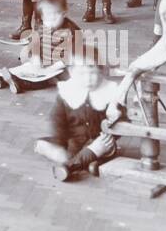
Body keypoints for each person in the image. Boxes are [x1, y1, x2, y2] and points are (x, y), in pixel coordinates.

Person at [34, 53, 119, 181]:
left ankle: (70, 166)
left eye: (93, 73)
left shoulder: (108, 91)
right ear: (71, 73)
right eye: (82, 74)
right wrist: (59, 142)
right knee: (45, 144)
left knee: (99, 148)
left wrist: (114, 122)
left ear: (101, 72)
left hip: (99, 142)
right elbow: (57, 120)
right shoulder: (68, 92)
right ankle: (85, 163)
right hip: (73, 142)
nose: (88, 79)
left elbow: (121, 121)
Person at [2, 0, 81, 93]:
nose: (50, 21)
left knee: (72, 73)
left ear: (64, 13)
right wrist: (36, 58)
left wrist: (53, 68)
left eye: (54, 17)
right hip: (44, 60)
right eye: (46, 17)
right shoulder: (43, 26)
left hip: (61, 64)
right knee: (25, 54)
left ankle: (22, 83)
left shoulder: (71, 30)